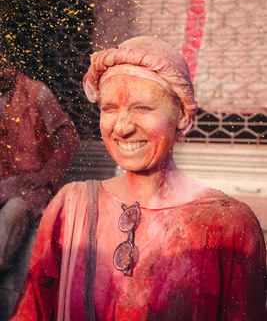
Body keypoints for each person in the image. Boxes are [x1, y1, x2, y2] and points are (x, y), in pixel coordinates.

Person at [10, 36, 266, 320]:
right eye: (109, 108)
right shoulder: (70, 208)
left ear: (182, 115)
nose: (122, 127)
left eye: (143, 108)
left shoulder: (228, 224)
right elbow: (32, 311)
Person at [0, 55, 80, 273]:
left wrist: (45, 174)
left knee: (14, 210)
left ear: (12, 62)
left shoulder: (38, 93)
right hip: (3, 184)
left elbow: (69, 138)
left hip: (30, 187)